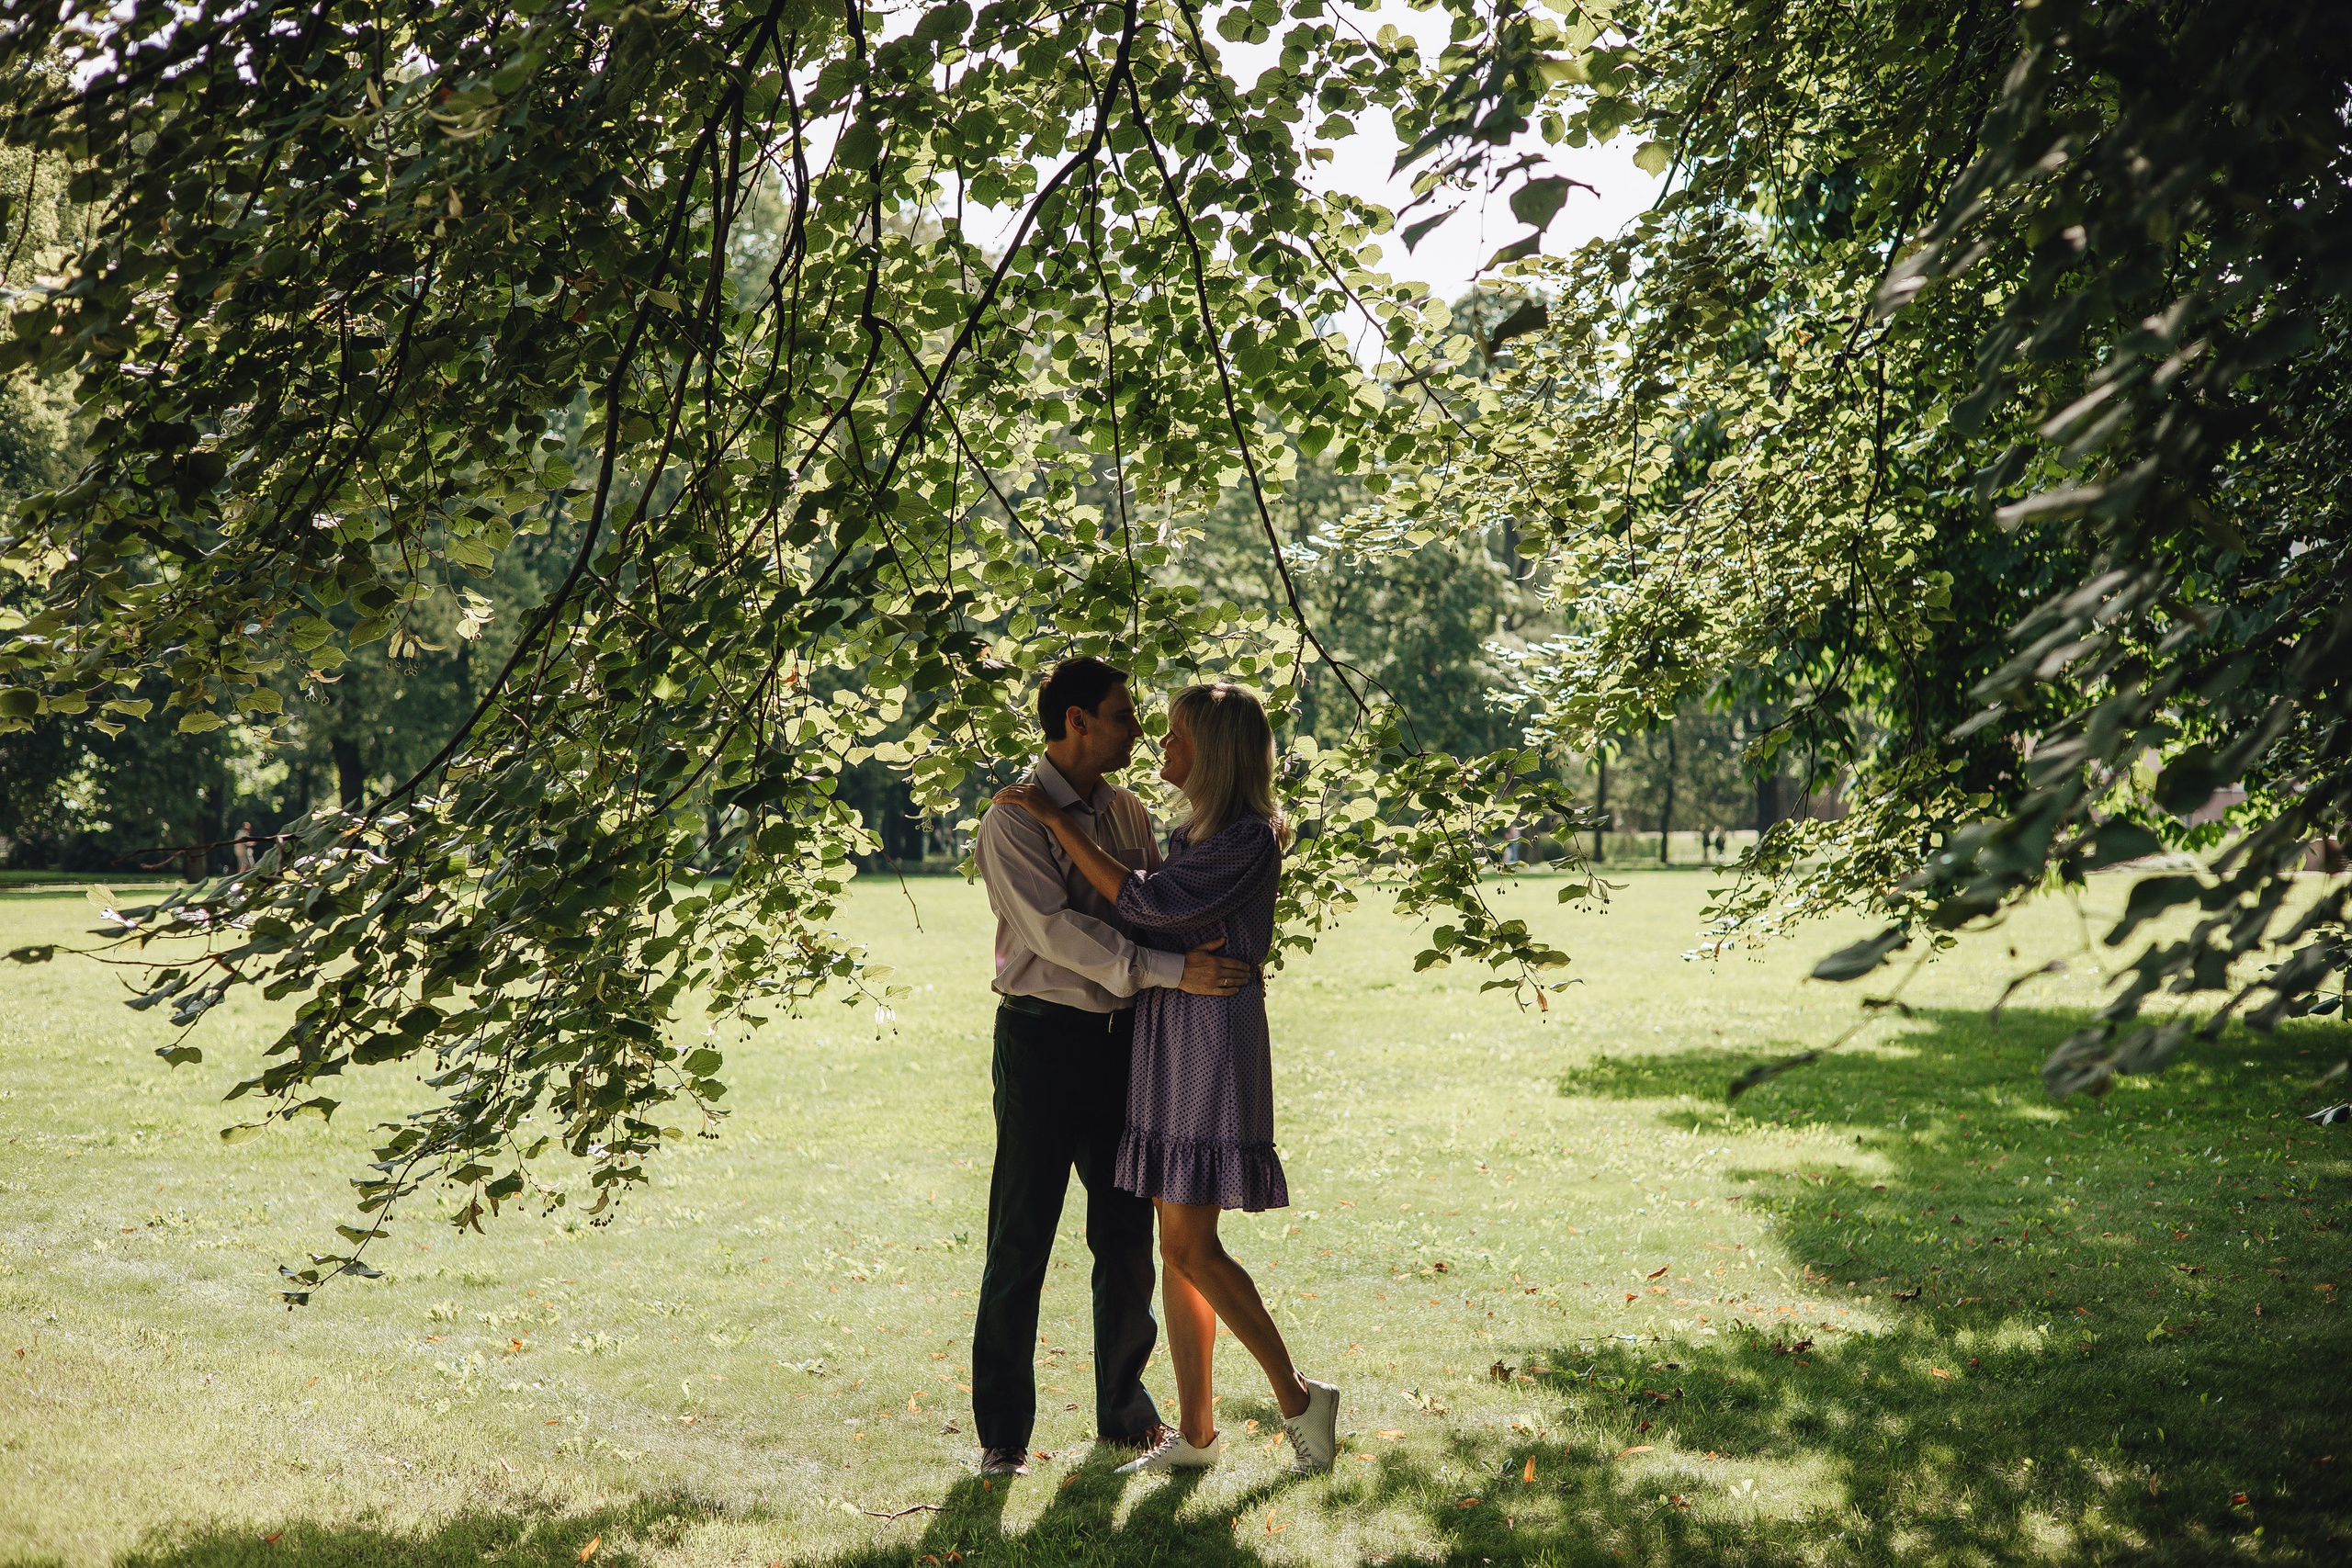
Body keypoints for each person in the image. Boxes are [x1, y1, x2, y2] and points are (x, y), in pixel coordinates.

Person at [995, 680, 1340, 1478]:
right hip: (1163, 1032)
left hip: (1206, 1041)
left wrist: (1052, 817)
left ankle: (1297, 1397)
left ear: (1213, 751)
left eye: (1176, 734)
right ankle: (1196, 1431)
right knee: (1179, 1247)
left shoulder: (1247, 839)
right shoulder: (1194, 833)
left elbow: (1143, 906)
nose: (1160, 744)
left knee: (1190, 1244)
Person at [969, 657, 1259, 1479]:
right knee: (1020, 1237)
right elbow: (1060, 936)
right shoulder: (1014, 820)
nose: (1137, 729)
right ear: (1076, 722)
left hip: (1127, 1048)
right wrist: (1172, 972)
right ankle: (1004, 1438)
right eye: (1124, 714)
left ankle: (1126, 1417)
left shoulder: (1129, 812)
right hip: (1041, 1043)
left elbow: (1157, 905)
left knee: (1127, 1238)